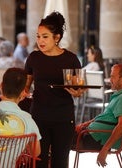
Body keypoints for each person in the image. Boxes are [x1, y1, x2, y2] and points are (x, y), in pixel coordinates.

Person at [25, 11, 84, 168]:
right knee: (39, 161)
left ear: (56, 38)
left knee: (60, 162)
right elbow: (25, 85)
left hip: (63, 117)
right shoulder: (34, 58)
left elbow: (78, 87)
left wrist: (77, 92)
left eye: (45, 36)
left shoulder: (70, 59)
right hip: (38, 116)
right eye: (38, 36)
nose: (40, 41)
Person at [73, 63, 122, 167]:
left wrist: (104, 150)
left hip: (94, 139)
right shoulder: (120, 96)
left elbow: (121, 126)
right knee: (57, 135)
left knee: (56, 138)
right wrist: (85, 124)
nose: (109, 79)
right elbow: (104, 117)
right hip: (90, 135)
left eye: (112, 76)